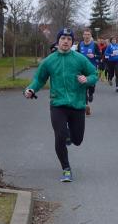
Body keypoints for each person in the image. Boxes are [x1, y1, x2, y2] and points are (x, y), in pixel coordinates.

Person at [24, 27, 98, 182]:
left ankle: (69, 135)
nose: (66, 41)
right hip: (58, 104)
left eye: (69, 39)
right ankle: (66, 168)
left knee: (77, 140)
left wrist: (87, 80)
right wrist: (31, 89)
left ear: (72, 42)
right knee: (60, 135)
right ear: (58, 41)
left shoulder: (79, 59)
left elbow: (94, 74)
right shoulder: (49, 61)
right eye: (63, 38)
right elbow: (39, 79)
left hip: (77, 104)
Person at [77, 29, 101, 115]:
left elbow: (100, 55)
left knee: (91, 85)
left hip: (92, 68)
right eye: (85, 34)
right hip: (82, 68)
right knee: (83, 85)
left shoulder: (94, 45)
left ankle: (91, 93)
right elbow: (76, 55)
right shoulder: (80, 44)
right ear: (83, 35)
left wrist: (94, 55)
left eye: (88, 34)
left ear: (91, 36)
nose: (86, 36)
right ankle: (86, 105)